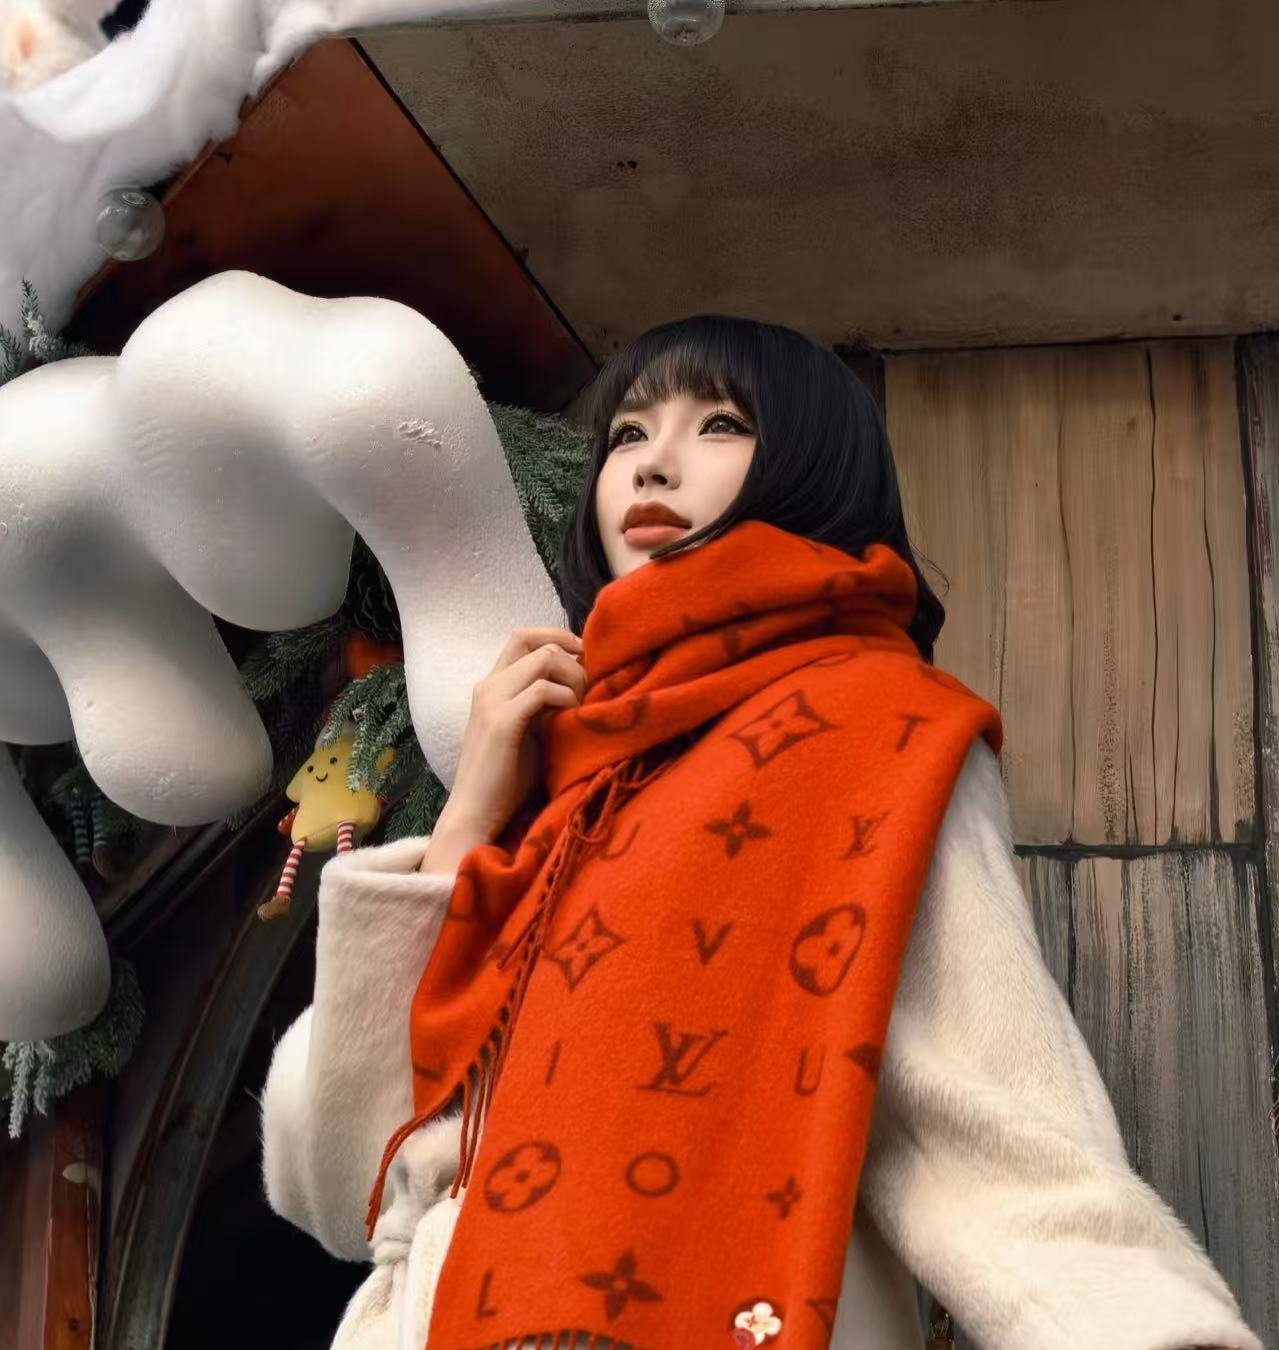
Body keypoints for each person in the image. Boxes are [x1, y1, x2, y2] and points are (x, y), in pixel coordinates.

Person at [259, 316, 1262, 1350]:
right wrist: (469, 818)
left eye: (720, 425)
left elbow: (989, 1118)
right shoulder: (555, 776)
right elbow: (336, 1184)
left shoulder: (874, 725)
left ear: (812, 466)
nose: (652, 465)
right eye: (628, 434)